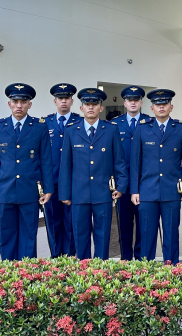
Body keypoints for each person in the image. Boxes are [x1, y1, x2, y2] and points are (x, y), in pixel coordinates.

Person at [0, 83, 54, 261]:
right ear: (9, 104)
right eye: (15, 101)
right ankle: (8, 274)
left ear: (29, 104)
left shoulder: (39, 126)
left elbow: (46, 160)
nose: (19, 105)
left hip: (29, 191)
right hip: (5, 191)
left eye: (23, 101)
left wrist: (47, 189)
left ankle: (27, 273)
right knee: (7, 235)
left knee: (28, 236)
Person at [59, 88, 128, 260]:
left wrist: (121, 186)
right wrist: (65, 193)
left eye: (94, 104)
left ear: (101, 108)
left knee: (102, 236)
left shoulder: (111, 130)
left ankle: (101, 271)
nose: (91, 107)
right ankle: (84, 272)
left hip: (103, 193)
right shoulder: (71, 131)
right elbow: (65, 165)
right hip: (78, 194)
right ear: (81, 108)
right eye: (87, 104)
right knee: (80, 236)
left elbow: (119, 160)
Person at [131, 89, 182, 264]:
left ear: (171, 107)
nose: (161, 107)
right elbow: (135, 163)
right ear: (152, 108)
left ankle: (171, 269)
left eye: (164, 104)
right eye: (158, 105)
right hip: (147, 191)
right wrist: (134, 191)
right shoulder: (142, 129)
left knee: (172, 233)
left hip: (171, 191)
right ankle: (146, 272)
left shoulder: (181, 129)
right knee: (147, 234)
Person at [110, 86, 150, 260]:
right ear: (125, 103)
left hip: (145, 181)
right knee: (124, 223)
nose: (133, 103)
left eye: (136, 100)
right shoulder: (114, 124)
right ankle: (126, 258)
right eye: (129, 100)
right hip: (123, 183)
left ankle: (141, 258)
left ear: (141, 102)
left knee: (144, 223)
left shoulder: (149, 122)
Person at [43, 83, 82, 257]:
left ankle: (70, 254)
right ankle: (55, 256)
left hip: (73, 182)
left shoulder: (80, 122)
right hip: (51, 182)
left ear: (72, 101)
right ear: (55, 101)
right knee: (52, 221)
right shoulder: (44, 123)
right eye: (60, 98)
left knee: (72, 221)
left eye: (67, 98)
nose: (63, 101)